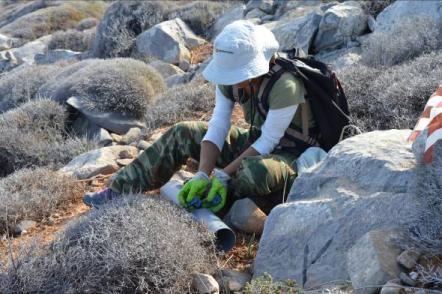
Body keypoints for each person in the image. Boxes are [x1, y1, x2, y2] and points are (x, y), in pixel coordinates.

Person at [83, 20, 317, 215]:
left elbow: (269, 141)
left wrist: (223, 175)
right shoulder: (230, 81)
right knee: (184, 132)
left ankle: (221, 202)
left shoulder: (285, 85)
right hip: (257, 142)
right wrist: (203, 174)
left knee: (254, 172)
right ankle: (120, 189)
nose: (230, 78)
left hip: (292, 154)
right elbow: (217, 126)